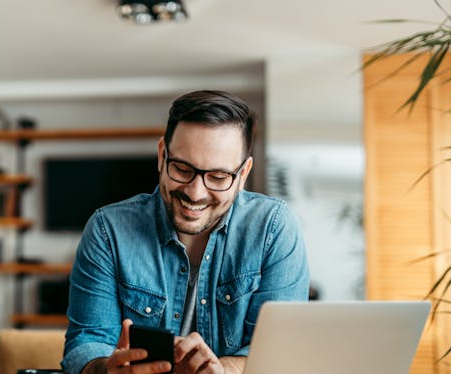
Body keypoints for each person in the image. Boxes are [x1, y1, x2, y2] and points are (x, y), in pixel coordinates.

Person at [61, 90, 309, 374]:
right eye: (182, 169)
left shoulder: (273, 228)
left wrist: (222, 369)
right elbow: (86, 343)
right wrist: (107, 369)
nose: (195, 192)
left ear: (243, 175)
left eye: (218, 177)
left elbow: (279, 354)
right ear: (161, 155)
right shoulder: (108, 231)